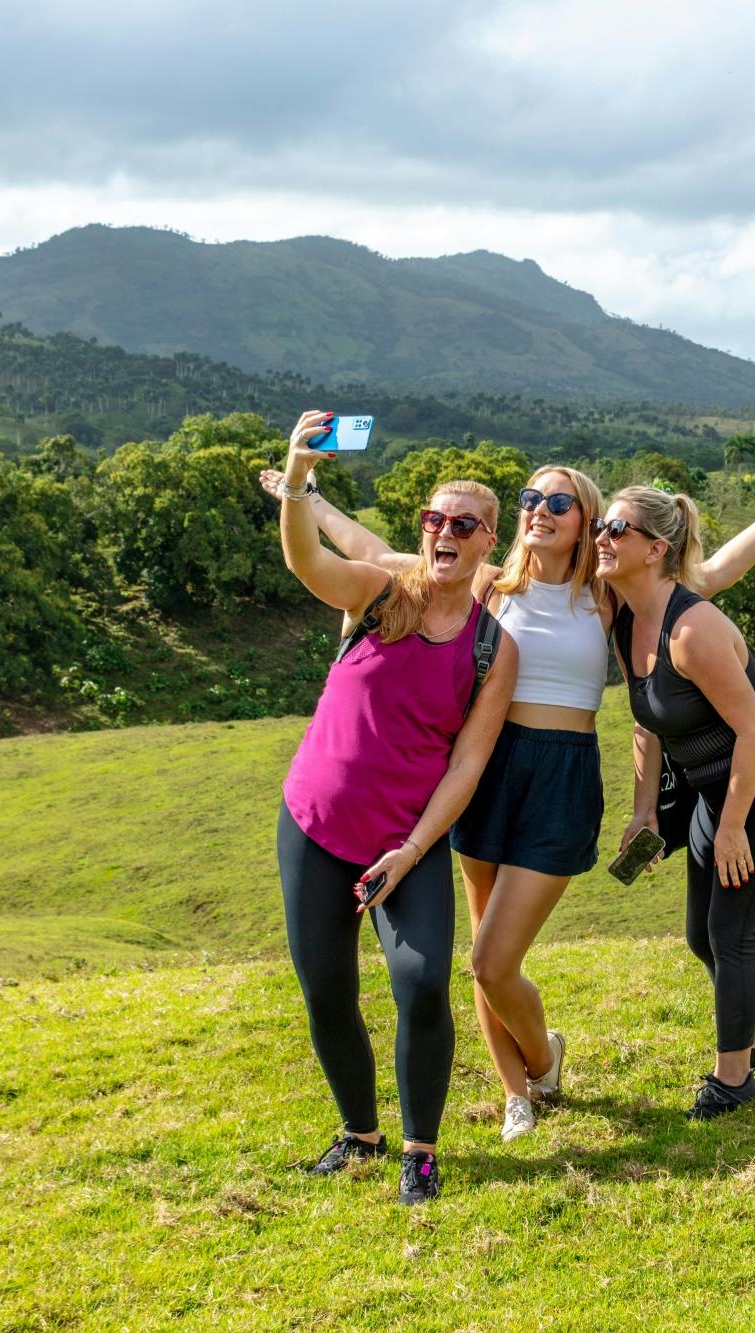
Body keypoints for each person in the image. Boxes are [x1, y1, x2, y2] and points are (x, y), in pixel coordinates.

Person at [267, 452, 755, 1139]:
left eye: (559, 502)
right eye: (529, 497)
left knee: (497, 957)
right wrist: (307, 497)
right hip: (489, 769)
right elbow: (379, 553)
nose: (539, 508)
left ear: (586, 523)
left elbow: (710, 574)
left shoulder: (603, 596)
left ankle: (551, 1056)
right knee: (482, 952)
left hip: (561, 775)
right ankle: (520, 1090)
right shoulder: (488, 582)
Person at [274, 409, 519, 1204]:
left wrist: (411, 852)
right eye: (434, 519)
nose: (445, 532)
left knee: (419, 983)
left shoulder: (492, 645)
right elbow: (309, 559)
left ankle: (419, 1148)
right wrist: (299, 479)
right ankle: (359, 1134)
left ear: (489, 541)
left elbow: (471, 760)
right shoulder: (380, 592)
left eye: (464, 524)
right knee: (327, 987)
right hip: (314, 825)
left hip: (404, 846)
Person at [597, 485, 755, 1119]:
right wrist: (645, 812)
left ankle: (733, 1081)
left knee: (732, 933)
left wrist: (730, 829)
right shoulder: (624, 617)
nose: (602, 540)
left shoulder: (693, 629)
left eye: (616, 529)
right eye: (601, 527)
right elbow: (646, 723)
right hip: (713, 788)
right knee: (702, 935)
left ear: (655, 548)